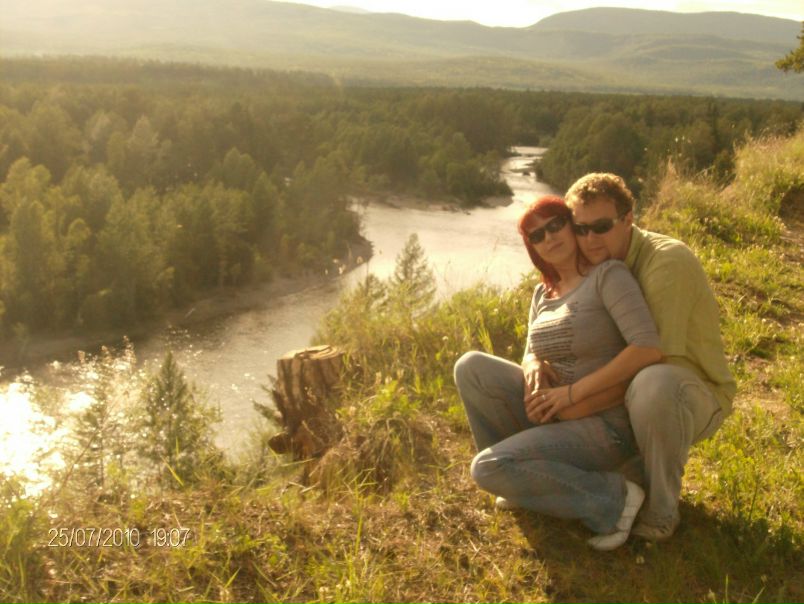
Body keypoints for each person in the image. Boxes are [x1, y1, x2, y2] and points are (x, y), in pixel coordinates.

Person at [454, 194, 663, 551]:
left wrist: (571, 394)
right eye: (537, 235)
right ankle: (522, 483)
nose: (548, 237)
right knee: (470, 367)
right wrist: (533, 365)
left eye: (555, 225)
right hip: (554, 415)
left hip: (604, 426)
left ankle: (614, 499)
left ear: (571, 225)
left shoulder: (607, 276)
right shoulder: (542, 293)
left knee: (485, 468)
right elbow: (530, 350)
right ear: (532, 247)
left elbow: (646, 347)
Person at [564, 173, 736, 540]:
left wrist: (575, 400)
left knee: (652, 384)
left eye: (602, 226)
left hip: (691, 392)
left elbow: (651, 357)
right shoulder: (591, 262)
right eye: (580, 229)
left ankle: (661, 512)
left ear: (628, 219)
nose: (590, 239)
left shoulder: (667, 262)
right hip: (630, 392)